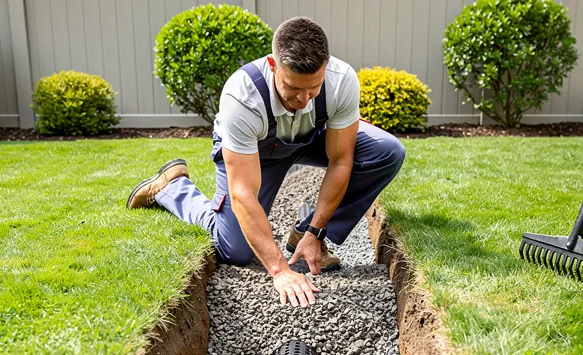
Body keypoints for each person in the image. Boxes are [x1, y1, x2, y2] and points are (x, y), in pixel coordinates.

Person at [127, 16, 405, 308]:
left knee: (386, 152)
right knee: (234, 250)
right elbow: (243, 193)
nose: (304, 100)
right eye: (293, 88)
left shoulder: (341, 79)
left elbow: (340, 160)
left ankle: (304, 235)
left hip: (312, 138)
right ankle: (173, 188)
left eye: (314, 88)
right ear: (273, 66)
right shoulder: (243, 96)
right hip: (256, 151)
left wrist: (315, 231)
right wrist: (280, 270)